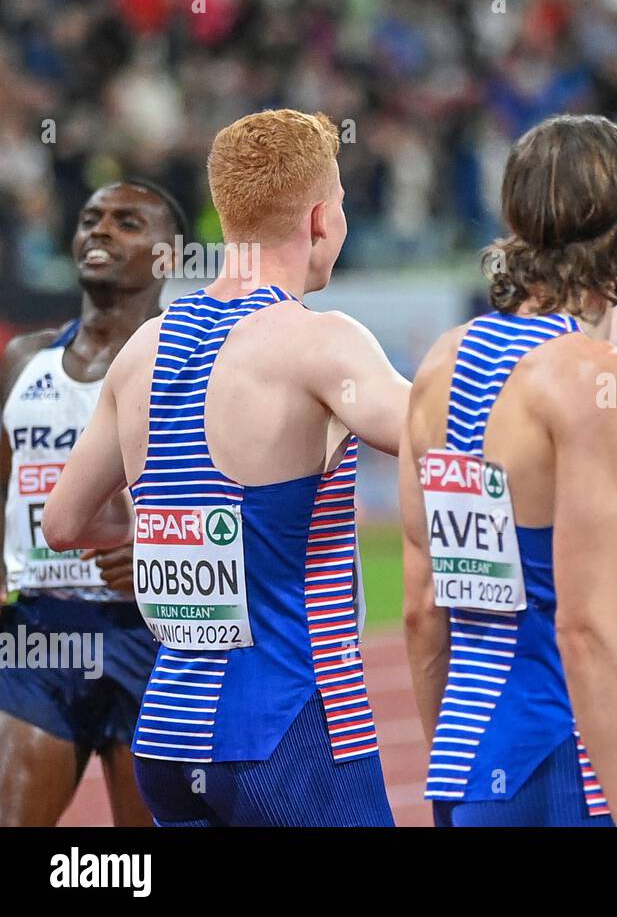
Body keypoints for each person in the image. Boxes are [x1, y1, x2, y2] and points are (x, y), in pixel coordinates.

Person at [43, 109, 408, 826]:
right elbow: (444, 433)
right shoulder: (317, 343)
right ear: (319, 219)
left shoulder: (144, 348)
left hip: (170, 737)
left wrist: (166, 527)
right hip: (294, 726)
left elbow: (61, 523)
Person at [401, 114, 617, 827]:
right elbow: (584, 627)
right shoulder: (596, 380)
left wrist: (454, 769)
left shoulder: (441, 364)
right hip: (564, 763)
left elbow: (422, 610)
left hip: (466, 763)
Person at [0, 180, 184, 826]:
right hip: (42, 637)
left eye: (127, 222)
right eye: (90, 219)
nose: (100, 231)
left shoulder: (196, 366)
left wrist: (163, 560)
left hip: (156, 640)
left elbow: (243, 505)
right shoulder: (25, 360)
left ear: (170, 257)